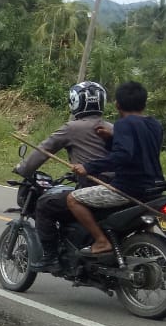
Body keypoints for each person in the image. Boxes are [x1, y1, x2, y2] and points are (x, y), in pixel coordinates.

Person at [16, 81, 112, 271]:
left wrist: (24, 169)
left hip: (92, 189)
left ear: (75, 102)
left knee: (45, 204)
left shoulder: (72, 128)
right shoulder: (112, 127)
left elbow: (43, 150)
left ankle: (50, 257)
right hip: (117, 186)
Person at [67, 81, 164, 256]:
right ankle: (150, 249)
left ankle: (101, 241)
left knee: (72, 199)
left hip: (128, 189)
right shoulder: (155, 124)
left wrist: (88, 167)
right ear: (144, 103)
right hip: (153, 188)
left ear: (117, 105)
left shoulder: (123, 124)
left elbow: (123, 156)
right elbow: (138, 150)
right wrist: (111, 138)